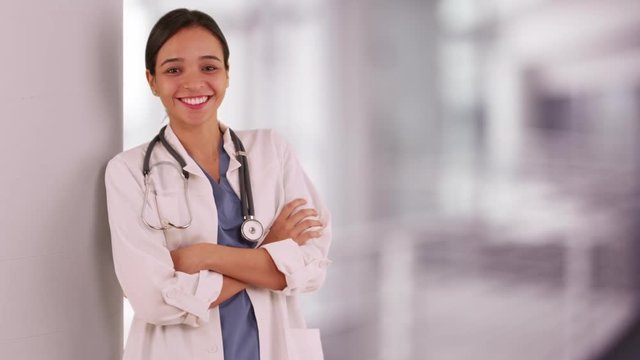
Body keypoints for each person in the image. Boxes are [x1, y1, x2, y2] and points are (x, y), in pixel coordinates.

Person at [105, 8, 331, 360]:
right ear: (152, 81)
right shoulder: (128, 172)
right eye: (173, 70)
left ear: (227, 74)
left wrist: (203, 257)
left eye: (209, 67)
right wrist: (268, 257)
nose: (193, 83)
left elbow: (312, 267)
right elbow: (152, 300)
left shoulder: (271, 150)